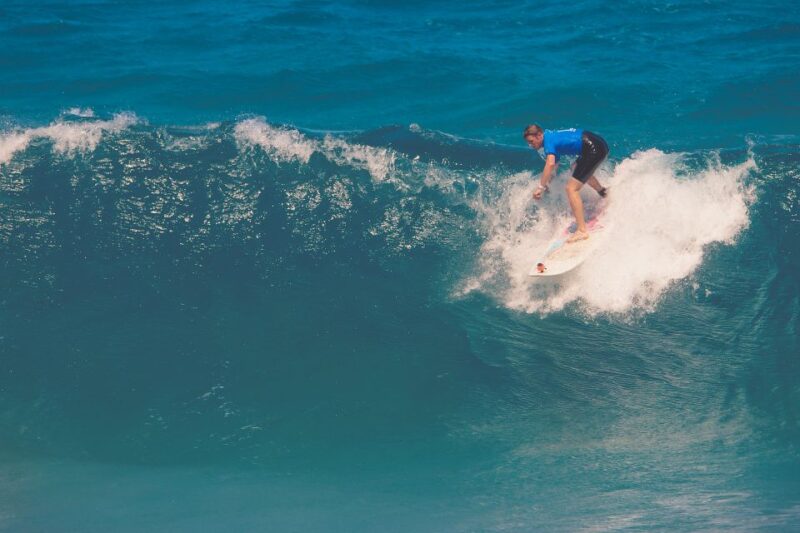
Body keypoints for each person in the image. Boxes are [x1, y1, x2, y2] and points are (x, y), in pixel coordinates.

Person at [523, 124, 609, 243]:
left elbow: (550, 164)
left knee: (571, 189)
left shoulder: (548, 142)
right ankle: (603, 192)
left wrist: (541, 187)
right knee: (576, 168)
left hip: (593, 148)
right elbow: (554, 164)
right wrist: (548, 181)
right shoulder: (549, 136)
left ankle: (582, 231)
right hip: (597, 143)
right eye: (529, 143)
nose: (531, 145)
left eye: (532, 141)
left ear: (539, 135)